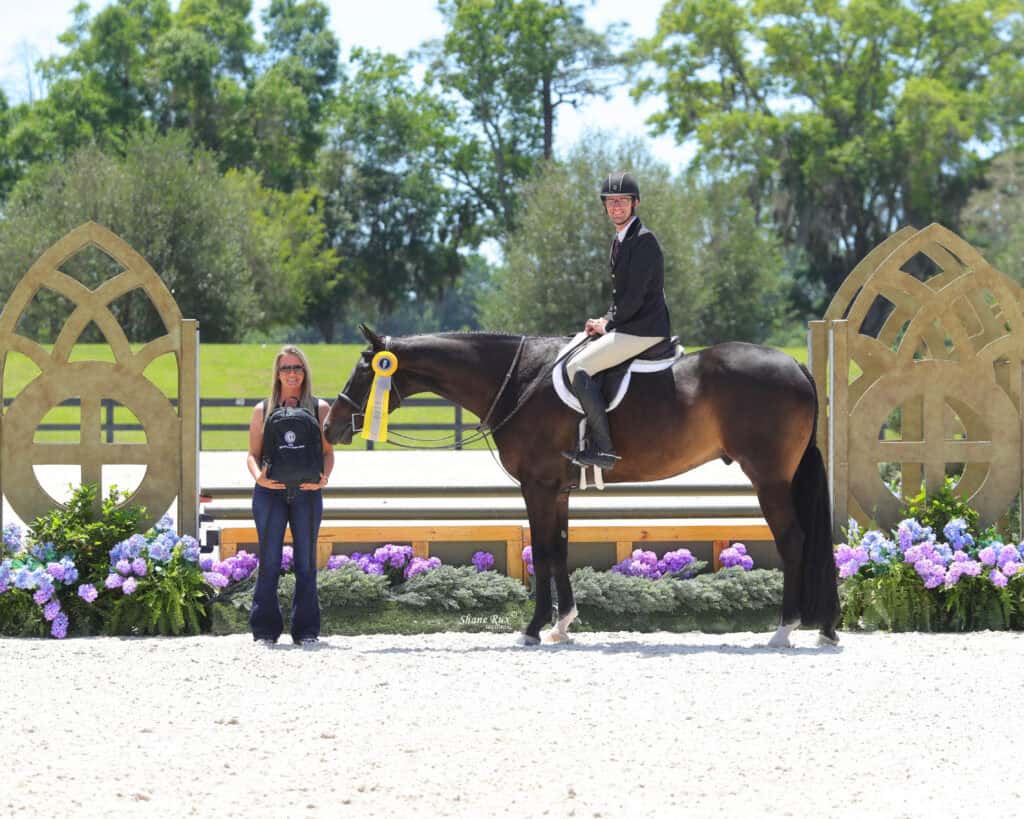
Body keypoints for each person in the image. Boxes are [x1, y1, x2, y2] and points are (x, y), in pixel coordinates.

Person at [562, 171, 672, 470]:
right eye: (610, 202)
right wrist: (604, 319)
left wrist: (609, 325)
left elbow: (635, 297)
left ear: (635, 203)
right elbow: (621, 299)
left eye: (622, 201)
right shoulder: (621, 240)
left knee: (578, 366)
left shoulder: (643, 240)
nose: (616, 207)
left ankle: (605, 449)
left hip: (644, 329)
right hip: (631, 323)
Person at [246, 345, 334, 646]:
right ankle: (264, 630)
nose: (292, 373)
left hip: (307, 494)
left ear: (305, 372)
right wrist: (259, 478)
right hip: (269, 494)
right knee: (269, 560)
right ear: (278, 373)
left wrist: (324, 478)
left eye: (297, 367)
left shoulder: (319, 408)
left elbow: (327, 452)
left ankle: (306, 630)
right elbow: (252, 455)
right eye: (286, 368)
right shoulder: (263, 409)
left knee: (306, 561)